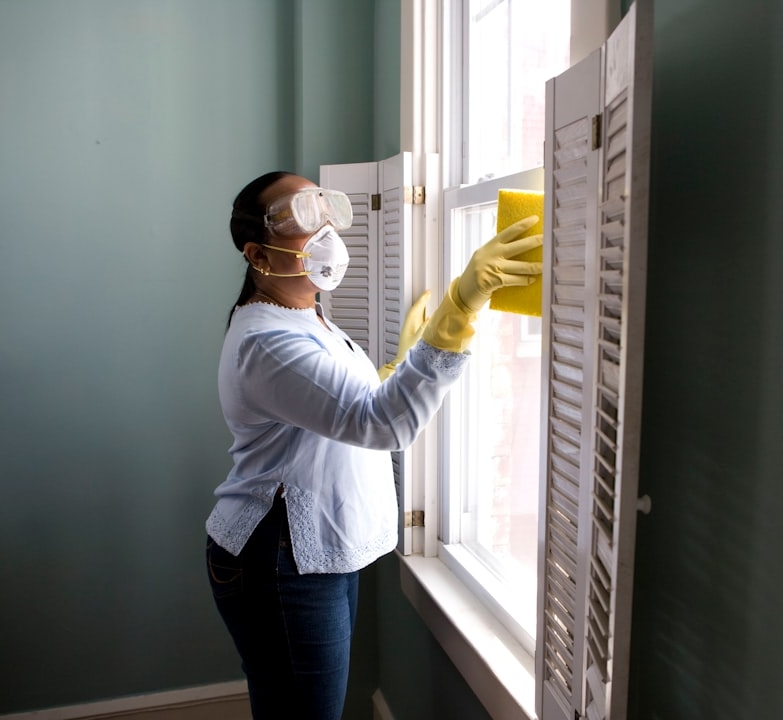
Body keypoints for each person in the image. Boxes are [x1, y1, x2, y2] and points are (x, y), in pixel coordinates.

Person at [204, 170, 543, 718]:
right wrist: (459, 309)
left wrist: (396, 366)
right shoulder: (266, 339)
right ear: (258, 254)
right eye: (302, 215)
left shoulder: (306, 316)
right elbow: (381, 425)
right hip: (279, 556)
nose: (327, 228)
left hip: (309, 552)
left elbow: (336, 405)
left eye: (326, 206)